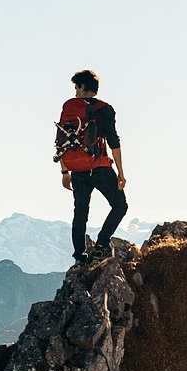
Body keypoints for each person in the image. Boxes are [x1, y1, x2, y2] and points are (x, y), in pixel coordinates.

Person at [56, 69, 128, 266]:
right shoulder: (105, 109)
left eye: (76, 87)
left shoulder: (70, 110)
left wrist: (65, 172)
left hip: (78, 171)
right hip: (100, 168)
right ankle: (101, 245)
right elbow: (113, 141)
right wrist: (121, 172)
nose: (75, 92)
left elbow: (63, 141)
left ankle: (80, 256)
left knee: (80, 212)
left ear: (82, 86)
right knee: (120, 206)